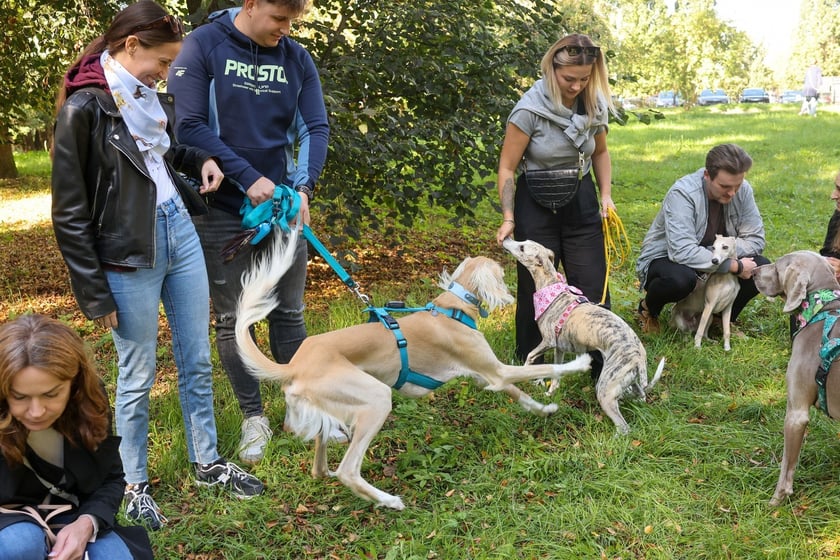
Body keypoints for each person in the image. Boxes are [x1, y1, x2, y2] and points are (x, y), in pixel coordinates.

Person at [51, 0, 264, 531]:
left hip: (179, 231)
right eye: (162, 62)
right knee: (138, 374)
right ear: (130, 46)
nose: (166, 74)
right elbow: (69, 213)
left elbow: (159, 153)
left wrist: (201, 158)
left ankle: (207, 462)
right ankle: (133, 484)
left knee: (197, 359)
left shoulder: (143, 97)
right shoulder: (84, 109)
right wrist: (93, 292)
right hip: (126, 255)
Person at [167, 0, 330, 464]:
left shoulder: (296, 58)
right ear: (252, 4)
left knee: (289, 313)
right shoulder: (203, 45)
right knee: (234, 318)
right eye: (279, 18)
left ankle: (303, 407)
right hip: (221, 208)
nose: (286, 28)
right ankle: (253, 417)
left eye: (292, 21)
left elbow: (315, 128)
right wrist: (247, 177)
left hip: (281, 206)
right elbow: (187, 125)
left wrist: (303, 188)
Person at [494, 33, 616, 374]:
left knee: (592, 284)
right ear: (552, 70)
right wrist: (508, 217)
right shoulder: (528, 110)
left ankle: (601, 365)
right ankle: (531, 366)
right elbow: (507, 167)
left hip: (581, 200)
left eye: (584, 79)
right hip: (535, 204)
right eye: (569, 79)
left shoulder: (593, 105)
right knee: (537, 289)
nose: (577, 86)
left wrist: (606, 195)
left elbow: (601, 153)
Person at [0, 314, 153, 560]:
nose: (36, 412)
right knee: (19, 544)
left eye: (51, 394)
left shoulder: (89, 403)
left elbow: (111, 479)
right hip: (7, 521)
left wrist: (87, 523)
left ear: (74, 384)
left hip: (75, 513)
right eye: (19, 397)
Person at [635, 143, 770, 334]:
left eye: (737, 186)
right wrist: (731, 264)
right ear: (707, 175)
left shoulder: (743, 190)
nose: (732, 193)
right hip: (669, 259)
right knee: (679, 279)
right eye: (724, 186)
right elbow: (682, 251)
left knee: (759, 268)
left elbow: (755, 240)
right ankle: (649, 309)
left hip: (713, 257)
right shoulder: (682, 193)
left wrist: (714, 255)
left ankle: (719, 318)